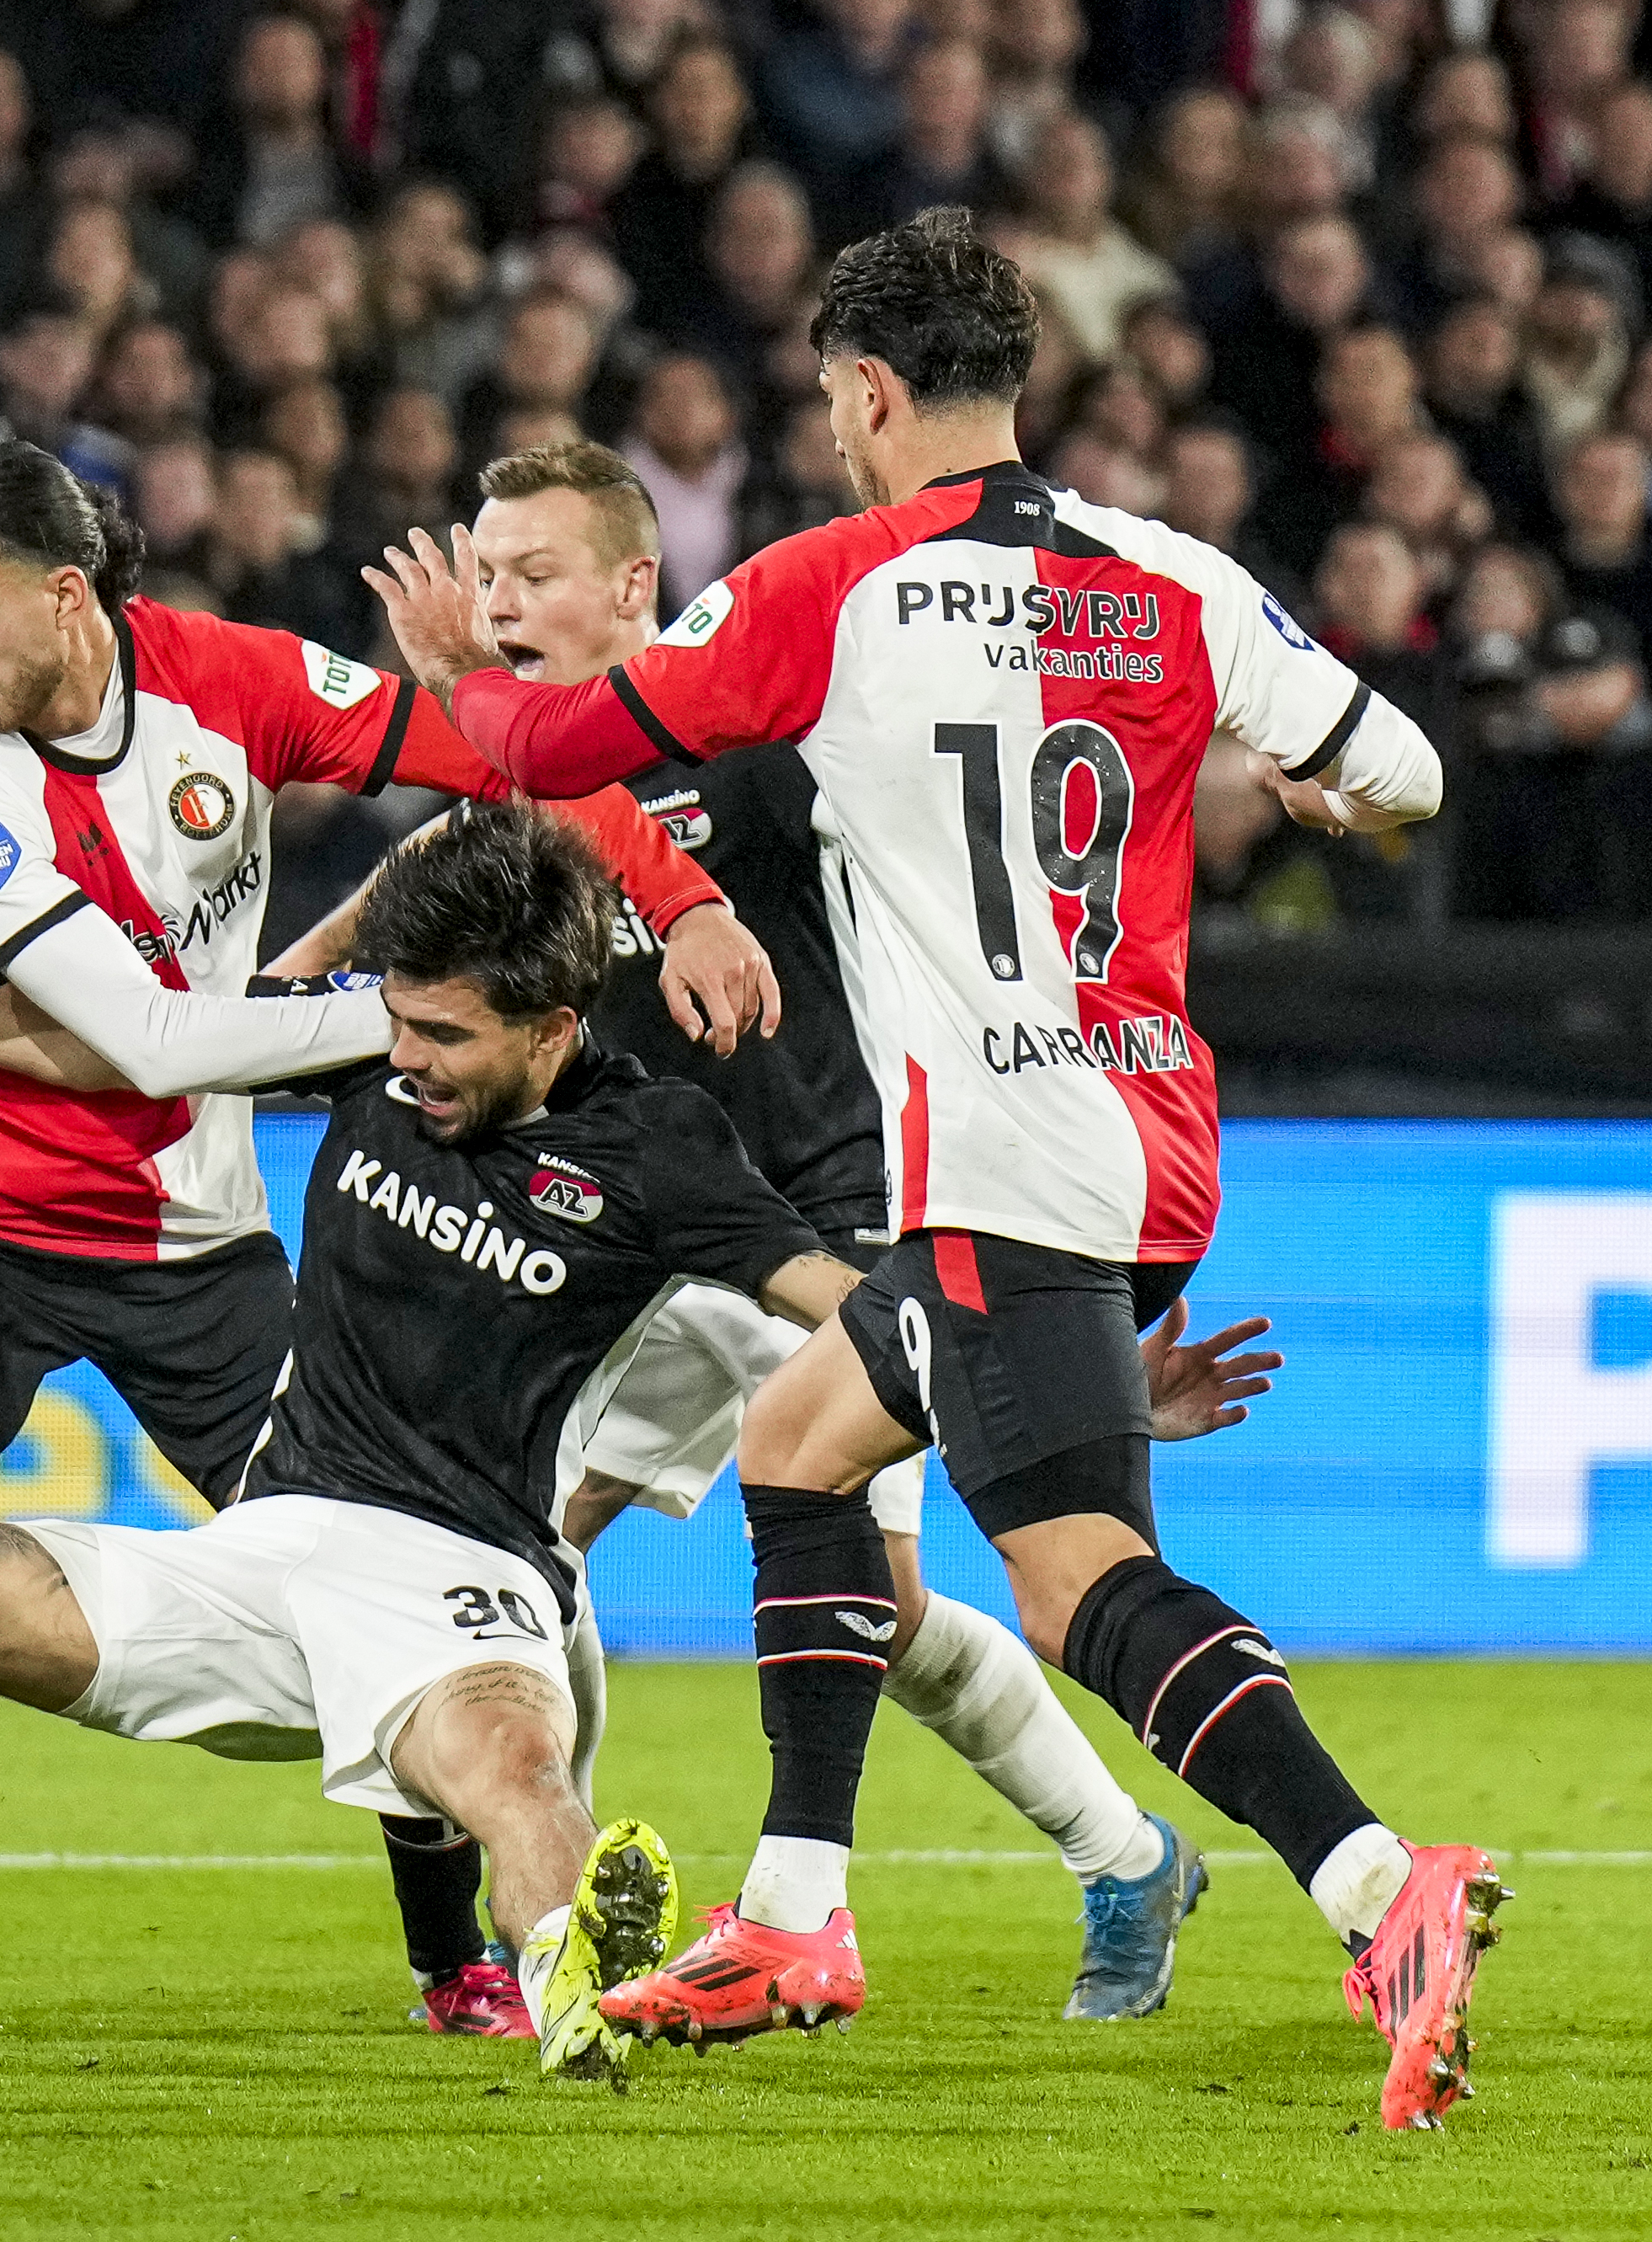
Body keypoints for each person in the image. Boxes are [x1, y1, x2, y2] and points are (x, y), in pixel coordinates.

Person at [360, 210, 1494, 2130]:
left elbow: (555, 737)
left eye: (829, 398)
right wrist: (1312, 780)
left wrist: (458, 673)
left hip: (990, 1150)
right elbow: (1408, 778)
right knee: (800, 1446)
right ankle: (798, 1908)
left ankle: (1379, 1886)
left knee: (1071, 1586)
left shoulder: (822, 584)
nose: (831, 425)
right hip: (1146, 1121)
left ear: (868, 392)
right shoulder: (1175, 579)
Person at [0, 435, 781, 2044]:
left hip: (192, 1236)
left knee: (407, 1556)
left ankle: (462, 1958)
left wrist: (675, 897)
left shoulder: (232, 682)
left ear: (68, 596)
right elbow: (136, 1037)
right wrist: (410, 1022)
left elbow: (501, 762)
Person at [0, 803, 948, 2078]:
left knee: (515, 1778)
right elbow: (148, 1037)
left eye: (446, 1035)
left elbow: (845, 1303)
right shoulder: (362, 1037)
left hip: (465, 1581)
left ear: (550, 1025)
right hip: (260, 1549)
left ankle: (572, 1992)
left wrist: (1053, 1376)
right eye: (399, 1020)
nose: (407, 1057)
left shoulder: (658, 1147)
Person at [278, 438, 1268, 2022]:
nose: (498, 603)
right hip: (638, 1239)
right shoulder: (529, 761)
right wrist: (282, 986)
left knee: (843, 1594)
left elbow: (982, 774)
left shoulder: (757, 732)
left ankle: (1070, 1862)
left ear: (629, 583)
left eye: (533, 574)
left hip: (825, 1208)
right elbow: (438, 868)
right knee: (503, 1545)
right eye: (483, 574)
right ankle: (533, 1923)